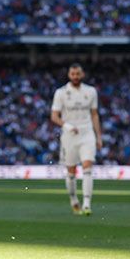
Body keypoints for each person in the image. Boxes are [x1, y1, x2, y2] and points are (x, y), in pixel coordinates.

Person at [50, 63, 102, 216]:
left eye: (78, 74)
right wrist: (66, 126)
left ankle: (87, 204)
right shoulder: (61, 93)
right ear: (69, 75)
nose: (75, 77)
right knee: (71, 171)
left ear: (82, 74)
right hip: (69, 136)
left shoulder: (91, 91)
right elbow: (54, 116)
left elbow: (94, 114)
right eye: (73, 74)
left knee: (87, 167)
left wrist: (98, 136)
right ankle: (73, 199)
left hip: (87, 133)